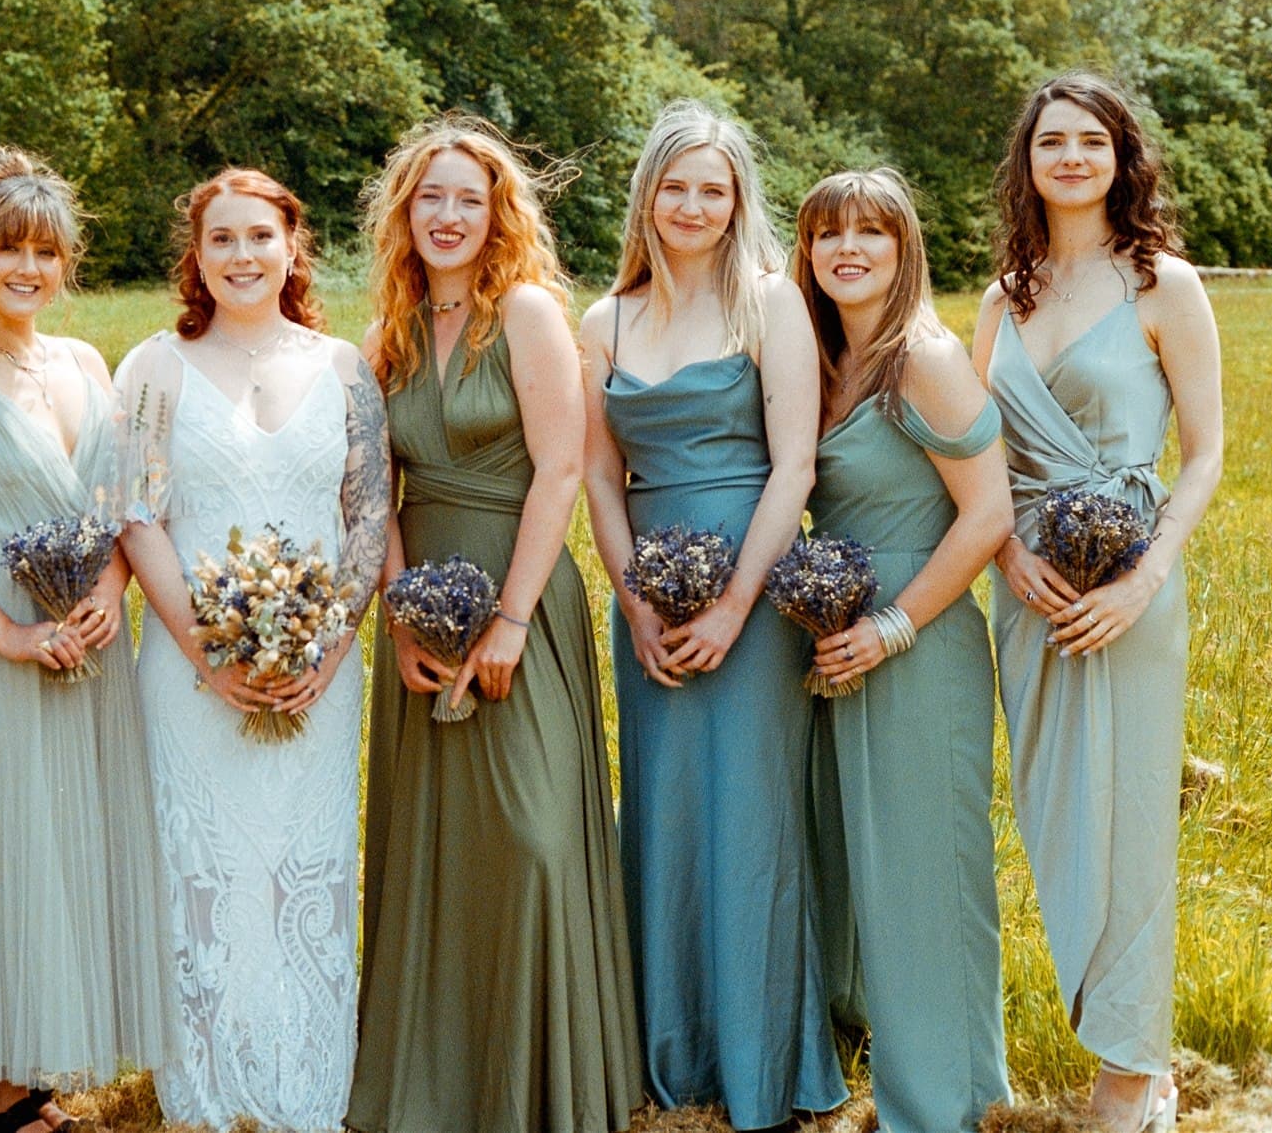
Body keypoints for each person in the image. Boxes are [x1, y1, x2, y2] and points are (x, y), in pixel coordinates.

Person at [350, 115, 642, 1133]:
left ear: (495, 214)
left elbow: (560, 466)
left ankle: (548, 1088)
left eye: (466, 199)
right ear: (404, 211)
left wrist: (510, 620)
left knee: (529, 840)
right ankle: (434, 1089)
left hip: (518, 598)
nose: (445, 214)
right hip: (419, 607)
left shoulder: (520, 313)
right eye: (428, 196)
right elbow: (370, 491)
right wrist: (399, 615)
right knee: (436, 850)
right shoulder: (383, 336)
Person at [576, 100, 845, 1129]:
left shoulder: (769, 305)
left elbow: (796, 463)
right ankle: (666, 1052)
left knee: (750, 818)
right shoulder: (603, 320)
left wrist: (737, 603)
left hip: (753, 584)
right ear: (647, 193)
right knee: (662, 813)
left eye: (712, 189)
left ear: (736, 204)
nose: (691, 205)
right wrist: (632, 599)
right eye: (675, 185)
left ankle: (762, 1062)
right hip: (648, 590)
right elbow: (599, 479)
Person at [0, 148, 167, 1133]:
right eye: (7, 250)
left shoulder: (87, 364)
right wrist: (7, 633)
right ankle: (1, 1087)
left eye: (45, 253)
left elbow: (123, 506)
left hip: (89, 642)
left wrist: (109, 589)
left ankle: (29, 1091)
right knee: (6, 848)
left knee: (71, 848)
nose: (27, 270)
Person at [972, 73, 1223, 1133]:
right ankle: (1112, 1036)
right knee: (1050, 818)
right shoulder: (1002, 295)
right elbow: (977, 458)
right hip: (1027, 590)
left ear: (1121, 158)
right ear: (1025, 164)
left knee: (1124, 820)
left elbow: (1206, 454)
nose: (1069, 158)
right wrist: (1000, 559)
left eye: (1089, 141)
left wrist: (1144, 579)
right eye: (1049, 143)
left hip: (1128, 589)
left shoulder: (1165, 285)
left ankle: (1130, 1070)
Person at [114, 168, 388, 1133]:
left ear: (292, 247)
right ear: (197, 256)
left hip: (322, 664)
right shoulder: (153, 368)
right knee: (207, 866)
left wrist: (331, 640)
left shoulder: (346, 367)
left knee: (304, 861)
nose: (241, 256)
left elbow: (369, 513)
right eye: (220, 239)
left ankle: (308, 1077)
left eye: (259, 237)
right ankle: (208, 1085)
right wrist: (208, 652)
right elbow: (135, 515)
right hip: (192, 666)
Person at [790, 169, 1015, 1133]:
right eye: (827, 233)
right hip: (836, 644)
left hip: (917, 644)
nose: (847, 249)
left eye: (869, 234)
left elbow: (988, 514)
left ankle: (949, 1104)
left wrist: (892, 627)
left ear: (902, 248)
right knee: (854, 868)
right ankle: (858, 1053)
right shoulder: (824, 358)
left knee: (926, 873)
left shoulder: (922, 357)